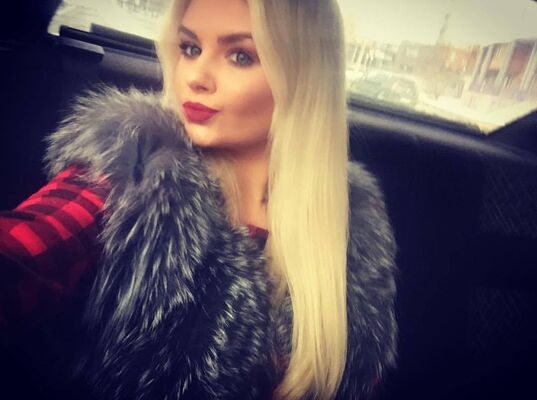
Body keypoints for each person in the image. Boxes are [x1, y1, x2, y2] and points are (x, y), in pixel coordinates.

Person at [0, 0, 398, 399]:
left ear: (302, 76)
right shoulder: (135, 169)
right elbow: (26, 250)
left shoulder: (351, 223)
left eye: (240, 56)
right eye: (190, 48)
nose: (195, 76)